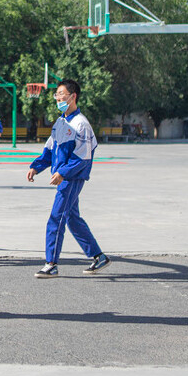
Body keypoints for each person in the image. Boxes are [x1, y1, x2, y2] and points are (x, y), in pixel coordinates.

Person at [26, 79, 110, 278]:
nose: (58, 98)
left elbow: (83, 156)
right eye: (57, 94)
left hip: (72, 178)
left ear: (73, 96)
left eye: (62, 94)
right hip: (64, 176)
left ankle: (51, 263)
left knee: (57, 217)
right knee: (72, 218)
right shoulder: (61, 122)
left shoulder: (81, 124)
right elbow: (50, 149)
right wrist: (35, 167)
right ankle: (99, 256)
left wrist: (63, 172)